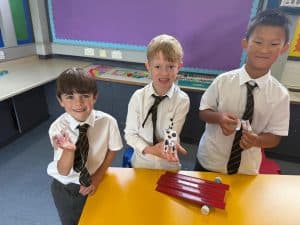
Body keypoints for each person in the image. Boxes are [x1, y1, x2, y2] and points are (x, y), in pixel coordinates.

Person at [195, 9, 290, 175]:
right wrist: (219, 117)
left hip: (246, 168)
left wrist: (257, 140)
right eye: (258, 42)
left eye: (274, 44)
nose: (264, 50)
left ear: (284, 48)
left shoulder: (280, 95)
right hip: (209, 161)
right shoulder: (223, 81)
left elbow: (275, 136)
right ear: (245, 44)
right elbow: (203, 111)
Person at [47, 67, 123, 225]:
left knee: (98, 218)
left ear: (95, 97)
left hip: (97, 180)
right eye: (69, 97)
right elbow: (63, 170)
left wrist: (98, 176)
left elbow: (114, 148)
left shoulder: (108, 122)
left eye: (85, 96)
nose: (78, 103)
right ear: (60, 100)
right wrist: (68, 151)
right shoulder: (58, 129)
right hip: (66, 187)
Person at [124, 34, 190, 170]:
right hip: (141, 165)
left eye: (170, 66)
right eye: (157, 66)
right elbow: (130, 135)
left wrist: (170, 146)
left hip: (168, 165)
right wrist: (150, 149)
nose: (164, 73)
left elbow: (173, 132)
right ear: (148, 66)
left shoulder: (182, 100)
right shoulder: (138, 97)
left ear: (179, 66)